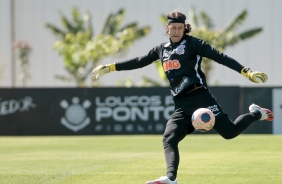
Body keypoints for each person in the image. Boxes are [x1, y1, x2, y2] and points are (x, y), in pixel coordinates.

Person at [91, 10, 274, 184]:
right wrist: (111, 67)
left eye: (180, 27)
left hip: (201, 98)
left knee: (230, 133)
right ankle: (171, 178)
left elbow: (220, 57)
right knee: (169, 138)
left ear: (184, 27)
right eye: (173, 27)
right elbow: (139, 62)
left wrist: (246, 72)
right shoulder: (161, 49)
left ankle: (256, 113)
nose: (177, 30)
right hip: (181, 105)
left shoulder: (194, 44)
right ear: (167, 28)